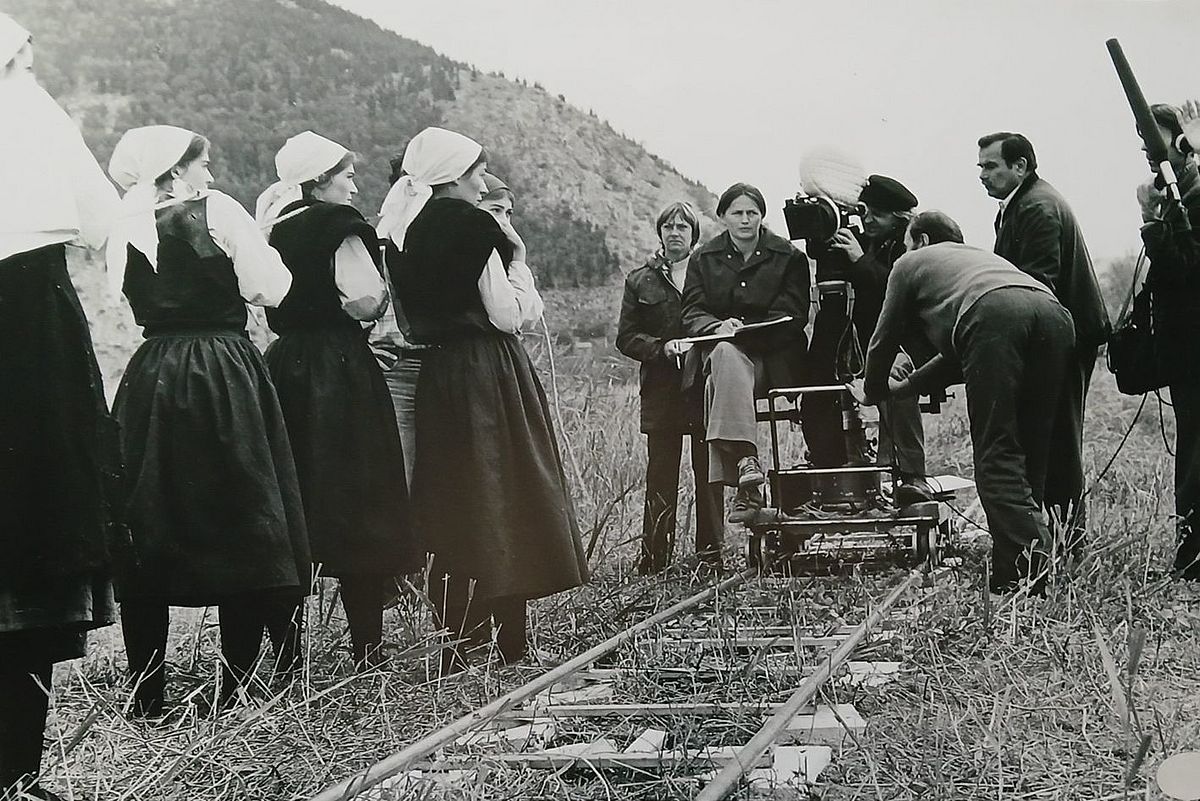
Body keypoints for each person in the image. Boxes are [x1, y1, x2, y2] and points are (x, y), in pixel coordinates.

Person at [106, 125, 310, 717]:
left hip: (154, 375)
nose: (211, 177)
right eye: (203, 165)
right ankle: (236, 687)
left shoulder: (127, 224)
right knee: (241, 514)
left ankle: (148, 695)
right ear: (174, 172)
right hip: (222, 369)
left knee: (153, 518)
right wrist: (262, 236)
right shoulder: (216, 211)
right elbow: (269, 289)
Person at [382, 127, 586, 674]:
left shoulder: (402, 229)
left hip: (440, 376)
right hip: (490, 371)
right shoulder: (476, 227)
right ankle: (512, 643)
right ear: (453, 176)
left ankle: (459, 642)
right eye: (475, 174)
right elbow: (509, 314)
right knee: (507, 492)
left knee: (454, 500)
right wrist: (517, 258)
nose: (480, 185)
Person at [0, 15, 120, 799]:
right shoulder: (31, 114)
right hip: (28, 340)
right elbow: (100, 216)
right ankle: (15, 772)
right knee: (32, 554)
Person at [256, 131, 418, 668]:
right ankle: (367, 648)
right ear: (321, 180)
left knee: (294, 495)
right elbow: (364, 299)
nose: (353, 183)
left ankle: (286, 654)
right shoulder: (344, 229)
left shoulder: (276, 227)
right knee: (358, 498)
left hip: (285, 366)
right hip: (340, 370)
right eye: (345, 174)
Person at [861, 211, 1074, 595]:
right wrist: (906, 388)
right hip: (1054, 315)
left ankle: (1024, 576)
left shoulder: (909, 264)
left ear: (922, 241)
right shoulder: (977, 263)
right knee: (1033, 448)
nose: (904, 251)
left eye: (908, 244)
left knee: (997, 451)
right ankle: (1029, 559)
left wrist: (872, 389)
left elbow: (883, 338)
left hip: (995, 317)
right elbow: (960, 352)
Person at [978, 132, 1110, 539]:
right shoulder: (1023, 203)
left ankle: (1068, 541)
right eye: (980, 166)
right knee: (1050, 438)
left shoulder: (1036, 207)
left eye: (990, 166)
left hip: (1063, 340)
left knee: (1058, 444)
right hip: (1056, 335)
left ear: (1021, 166)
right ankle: (1054, 538)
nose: (982, 175)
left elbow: (1037, 284)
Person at [681, 183, 811, 523]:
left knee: (720, 376)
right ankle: (747, 464)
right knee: (724, 353)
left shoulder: (789, 257)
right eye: (737, 213)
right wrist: (715, 326)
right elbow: (692, 312)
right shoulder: (703, 258)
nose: (745, 219)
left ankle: (746, 479)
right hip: (727, 357)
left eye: (752, 212)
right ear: (723, 216)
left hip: (774, 358)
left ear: (761, 216)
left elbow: (795, 313)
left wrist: (749, 331)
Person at [803, 174, 932, 503]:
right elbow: (823, 250)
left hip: (911, 342)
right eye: (865, 212)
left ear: (897, 218)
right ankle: (840, 470)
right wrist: (825, 220)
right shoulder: (870, 240)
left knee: (894, 383)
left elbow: (900, 289)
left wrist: (860, 259)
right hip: (872, 343)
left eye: (878, 214)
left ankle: (910, 474)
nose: (868, 219)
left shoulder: (911, 242)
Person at [617, 201, 725, 574]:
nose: (675, 232)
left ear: (694, 234)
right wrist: (661, 348)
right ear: (659, 233)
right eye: (668, 226)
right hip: (661, 389)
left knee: (708, 471)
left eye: (683, 226)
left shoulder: (709, 275)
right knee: (661, 473)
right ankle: (654, 560)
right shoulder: (639, 280)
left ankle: (711, 558)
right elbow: (626, 338)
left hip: (703, 388)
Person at [1135, 101, 1200, 579]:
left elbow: (1185, 267)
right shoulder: (1182, 196)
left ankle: (1193, 561)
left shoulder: (1192, 199)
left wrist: (1152, 218)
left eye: (1152, 140)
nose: (1144, 149)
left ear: (1181, 143)